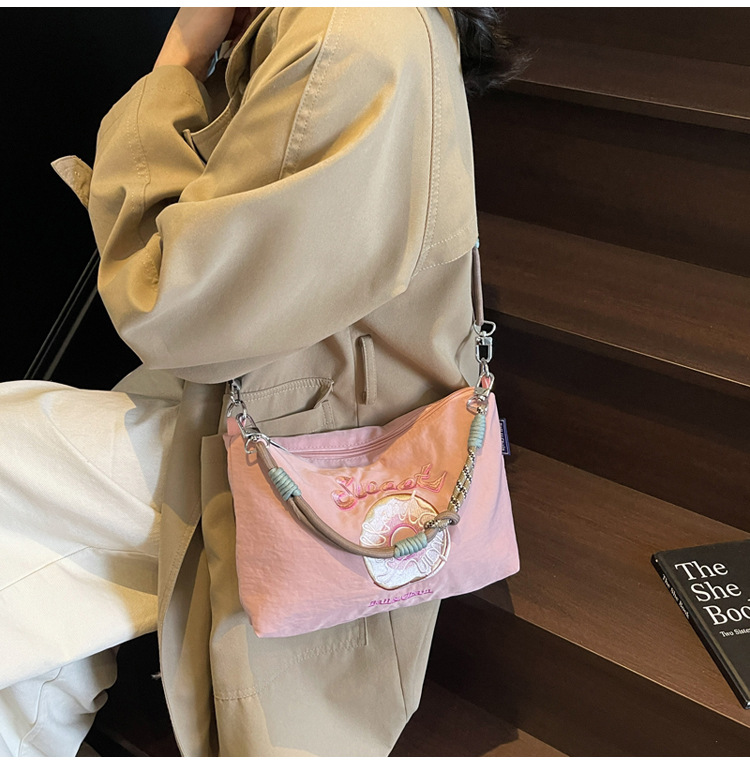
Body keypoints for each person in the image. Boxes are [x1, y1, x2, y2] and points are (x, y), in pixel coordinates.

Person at [0, 7, 526, 757]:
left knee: (11, 460)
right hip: (299, 397)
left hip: (307, 439)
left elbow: (172, 307)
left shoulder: (350, 35)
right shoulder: (366, 27)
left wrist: (181, 58)